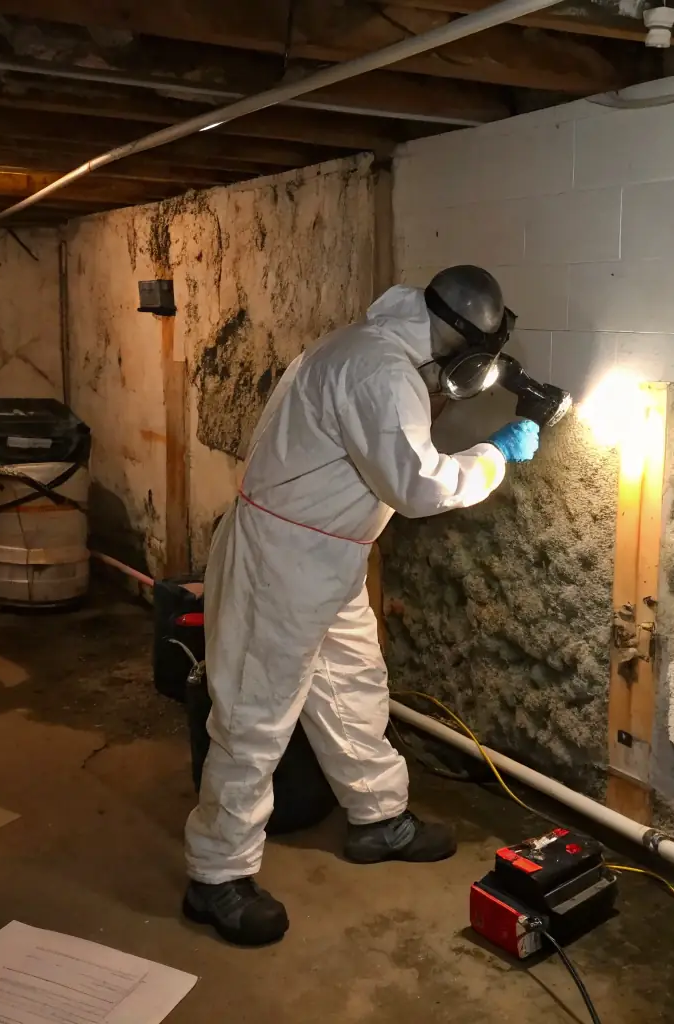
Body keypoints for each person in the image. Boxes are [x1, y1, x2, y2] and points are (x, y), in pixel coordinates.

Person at [183, 266, 541, 946]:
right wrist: (495, 455)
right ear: (458, 340)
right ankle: (216, 876)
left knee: (350, 685)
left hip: (328, 552)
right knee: (255, 718)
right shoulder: (379, 372)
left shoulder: (373, 349)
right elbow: (419, 487)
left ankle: (379, 817)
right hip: (282, 560)